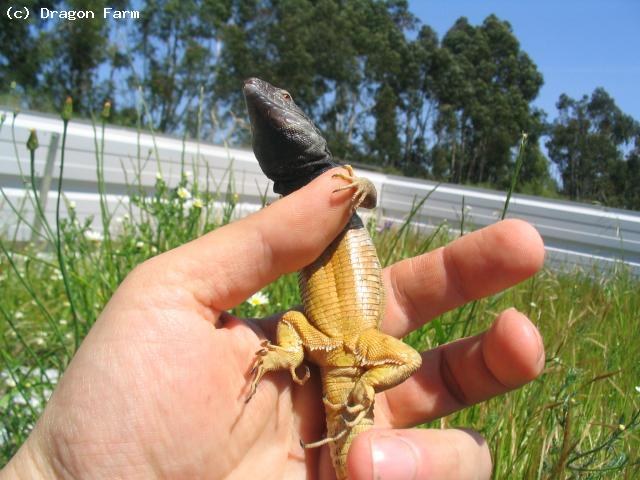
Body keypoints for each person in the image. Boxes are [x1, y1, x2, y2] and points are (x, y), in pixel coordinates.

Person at [1, 169, 545, 480]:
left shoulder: (339, 184)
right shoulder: (310, 199)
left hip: (354, 354)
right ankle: (291, 356)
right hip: (326, 343)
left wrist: (363, 385)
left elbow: (368, 198)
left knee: (403, 358)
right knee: (290, 323)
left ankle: (339, 381)